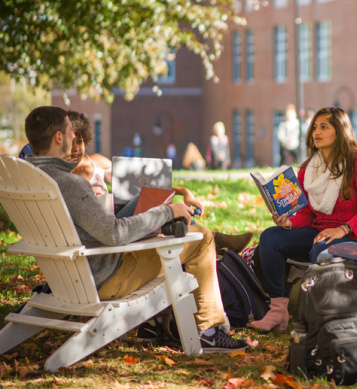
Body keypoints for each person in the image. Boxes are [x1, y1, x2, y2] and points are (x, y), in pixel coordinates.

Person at [24, 106, 247, 352]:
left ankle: (155, 324)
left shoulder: (31, 178)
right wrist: (168, 211)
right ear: (59, 137)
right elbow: (114, 233)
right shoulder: (70, 184)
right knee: (201, 238)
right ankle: (208, 331)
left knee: (165, 228)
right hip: (103, 278)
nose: (73, 138)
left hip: (66, 277)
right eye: (69, 132)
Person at [250, 107, 357, 332]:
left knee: (321, 249)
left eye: (324, 127)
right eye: (314, 128)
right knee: (270, 237)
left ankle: (319, 315)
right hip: (318, 232)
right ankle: (278, 312)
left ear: (339, 131)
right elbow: (309, 213)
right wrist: (289, 223)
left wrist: (342, 229)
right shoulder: (308, 169)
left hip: (354, 237)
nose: (316, 133)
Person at [65, 110, 203, 218]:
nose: (76, 148)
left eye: (79, 142)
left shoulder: (95, 162)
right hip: (106, 233)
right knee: (161, 209)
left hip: (118, 222)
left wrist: (184, 191)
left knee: (147, 197)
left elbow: (139, 183)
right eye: (70, 143)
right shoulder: (58, 174)